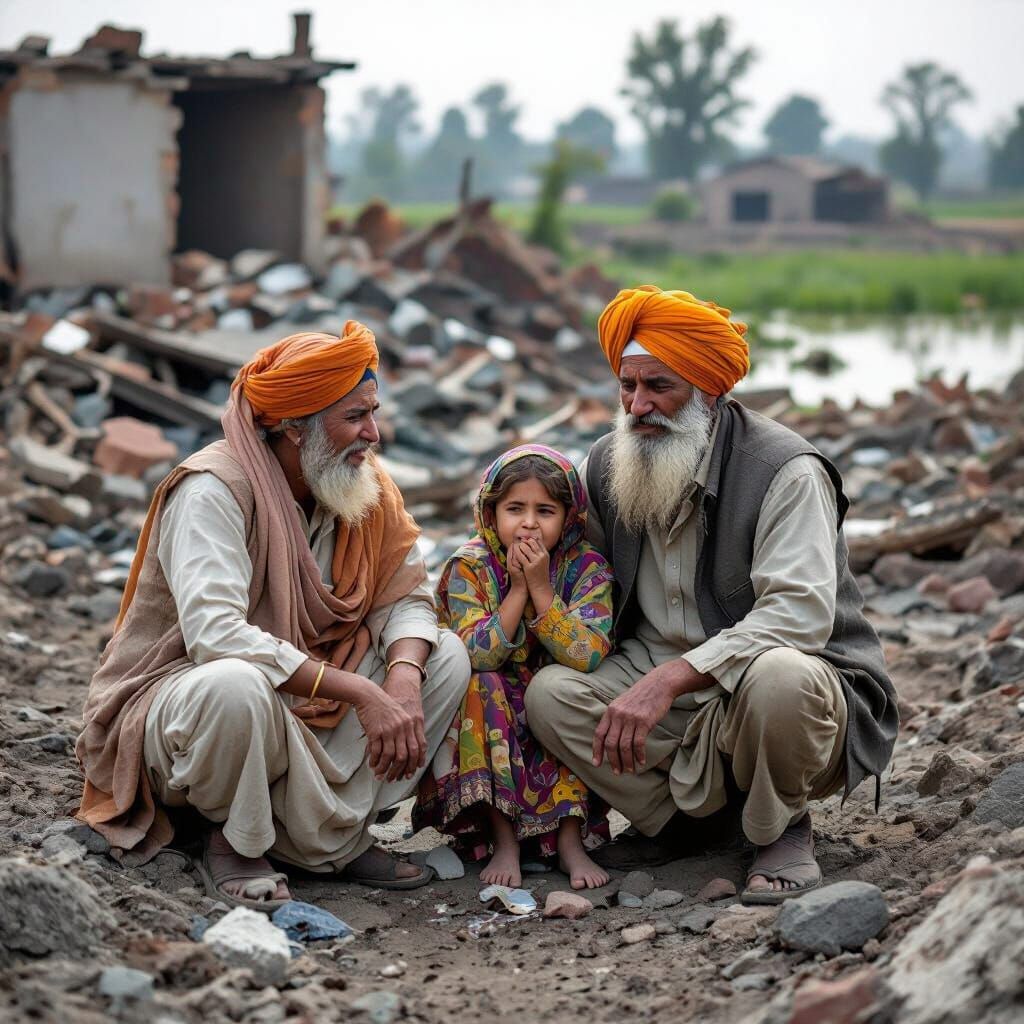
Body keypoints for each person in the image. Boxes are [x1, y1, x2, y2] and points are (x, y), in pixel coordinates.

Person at [526, 285, 898, 904]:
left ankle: (780, 828)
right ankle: (688, 825)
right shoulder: (607, 461)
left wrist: (674, 676)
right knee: (550, 696)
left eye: (659, 388)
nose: (639, 406)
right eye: (628, 387)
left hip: (773, 678)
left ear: (710, 391)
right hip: (655, 674)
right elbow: (574, 571)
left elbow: (799, 616)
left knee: (781, 677)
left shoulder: (786, 470)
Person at [76, 325, 470, 909]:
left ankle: (328, 841)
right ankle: (235, 839)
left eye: (373, 413)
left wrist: (403, 680)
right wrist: (360, 690)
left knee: (445, 656)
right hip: (186, 702)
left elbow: (406, 597)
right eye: (355, 418)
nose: (373, 434)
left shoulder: (365, 487)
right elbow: (216, 636)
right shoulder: (213, 489)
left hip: (309, 700)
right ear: (294, 425)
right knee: (236, 685)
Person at [415, 445, 614, 889]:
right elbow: (477, 654)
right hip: (490, 705)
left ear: (569, 517)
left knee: (558, 690)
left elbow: (588, 653)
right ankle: (504, 839)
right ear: (490, 513)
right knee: (483, 685)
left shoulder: (586, 567)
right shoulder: (469, 566)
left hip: (552, 695)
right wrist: (518, 592)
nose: (528, 523)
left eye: (545, 510)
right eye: (514, 509)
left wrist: (542, 588)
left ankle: (569, 840)